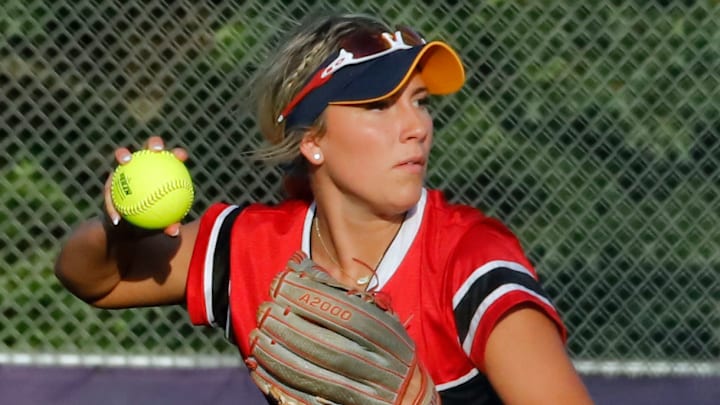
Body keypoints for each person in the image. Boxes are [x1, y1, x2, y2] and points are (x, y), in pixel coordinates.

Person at [55, 12, 594, 405]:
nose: (417, 127)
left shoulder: (467, 259)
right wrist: (121, 227)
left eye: (419, 101)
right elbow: (95, 281)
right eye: (379, 105)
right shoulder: (254, 250)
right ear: (312, 139)